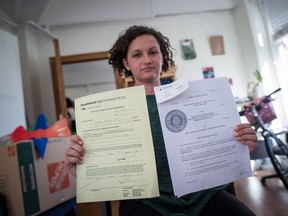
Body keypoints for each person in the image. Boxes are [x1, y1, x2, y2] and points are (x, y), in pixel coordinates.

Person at [65, 25, 258, 216]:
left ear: (162, 57)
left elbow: (216, 145)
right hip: (147, 201)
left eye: (153, 52)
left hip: (203, 194)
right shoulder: (111, 111)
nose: (147, 60)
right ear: (126, 63)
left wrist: (239, 147)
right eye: (137, 55)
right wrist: (86, 170)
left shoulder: (194, 99)